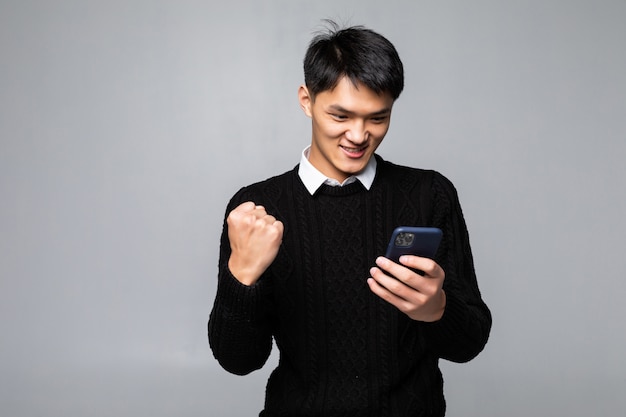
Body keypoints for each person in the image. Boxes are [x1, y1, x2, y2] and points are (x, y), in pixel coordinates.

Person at [208, 21, 491, 417]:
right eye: (340, 115)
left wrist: (438, 307)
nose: (358, 135)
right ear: (306, 100)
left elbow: (470, 342)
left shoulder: (430, 195)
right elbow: (238, 361)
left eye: (378, 118)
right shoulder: (256, 209)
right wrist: (242, 275)